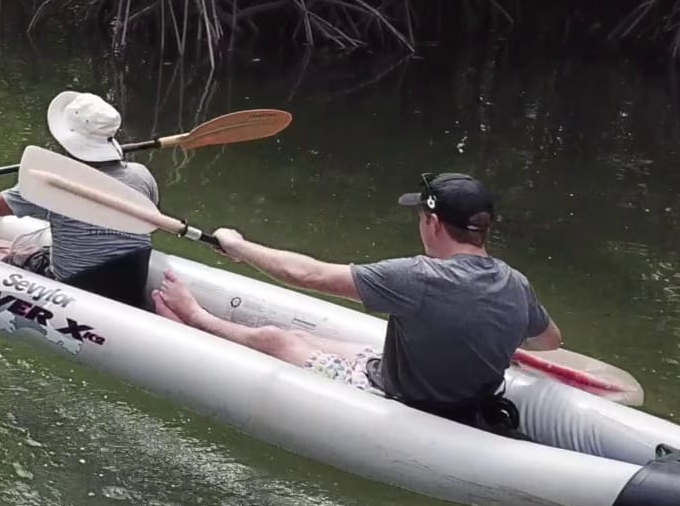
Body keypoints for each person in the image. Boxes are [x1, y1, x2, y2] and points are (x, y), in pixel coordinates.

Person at [149, 172, 563, 428]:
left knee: (281, 340)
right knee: (317, 339)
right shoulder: (516, 283)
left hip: (405, 400)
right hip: (461, 397)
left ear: (433, 222)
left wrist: (238, 246)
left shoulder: (417, 276)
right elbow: (549, 341)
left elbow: (306, 274)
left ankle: (195, 317)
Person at [0, 91, 161, 310]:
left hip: (73, 283)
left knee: (2, 260)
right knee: (31, 253)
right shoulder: (142, 175)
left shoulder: (53, 183)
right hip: (128, 280)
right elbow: (151, 224)